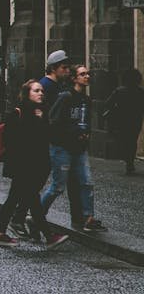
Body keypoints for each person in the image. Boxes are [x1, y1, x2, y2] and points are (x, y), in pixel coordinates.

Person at [0, 80, 69, 249]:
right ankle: (49, 236)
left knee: (14, 200)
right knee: (32, 200)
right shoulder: (18, 112)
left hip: (35, 165)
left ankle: (0, 233)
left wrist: (42, 121)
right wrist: (38, 122)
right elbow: (14, 140)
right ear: (27, 93)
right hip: (22, 166)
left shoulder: (42, 112)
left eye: (41, 90)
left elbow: (47, 137)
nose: (40, 93)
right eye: (36, 90)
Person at [11, 49, 77, 237]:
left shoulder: (58, 86)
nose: (67, 71)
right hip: (44, 143)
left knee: (33, 186)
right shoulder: (45, 85)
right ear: (54, 68)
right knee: (33, 186)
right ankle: (22, 219)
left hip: (51, 141)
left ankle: (25, 220)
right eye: (64, 68)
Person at [40, 65, 106, 233]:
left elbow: (86, 120)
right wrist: (74, 132)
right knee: (58, 186)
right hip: (62, 148)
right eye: (82, 74)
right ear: (75, 79)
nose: (87, 76)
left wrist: (87, 133)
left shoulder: (86, 99)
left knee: (87, 182)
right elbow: (53, 121)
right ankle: (37, 214)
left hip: (80, 148)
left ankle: (87, 217)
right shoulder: (66, 97)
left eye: (88, 73)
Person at [105, 68, 144, 174]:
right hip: (136, 120)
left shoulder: (119, 91)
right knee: (132, 141)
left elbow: (108, 103)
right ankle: (130, 161)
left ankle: (127, 159)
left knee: (123, 140)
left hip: (121, 120)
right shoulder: (141, 91)